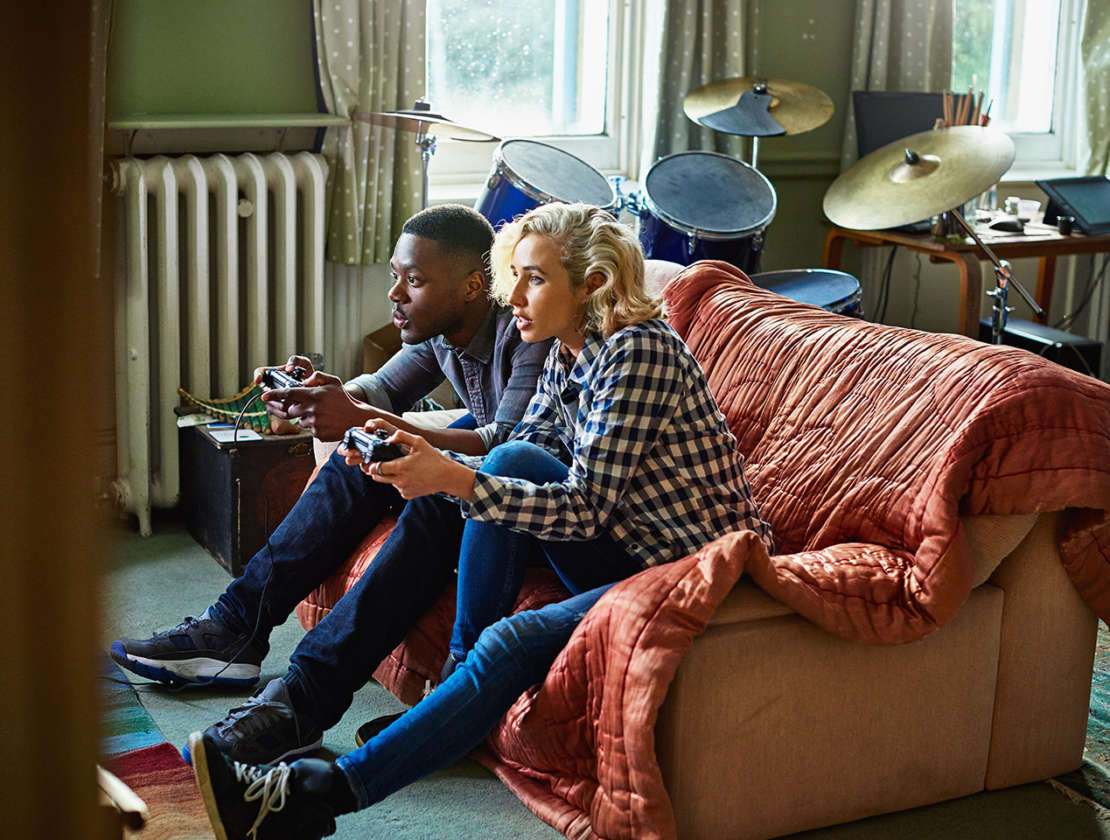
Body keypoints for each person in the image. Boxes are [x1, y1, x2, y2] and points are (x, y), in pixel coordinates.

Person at [184, 202, 774, 838]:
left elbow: (585, 508)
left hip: (693, 569)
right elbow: (520, 454)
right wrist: (423, 464)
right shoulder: (568, 352)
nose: (512, 296)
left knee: (511, 637)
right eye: (514, 276)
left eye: (534, 279)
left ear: (594, 283)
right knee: (507, 460)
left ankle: (311, 795)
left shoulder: (639, 352)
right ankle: (418, 695)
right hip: (621, 544)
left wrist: (453, 478)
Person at [109, 204, 552, 706]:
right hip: (489, 462)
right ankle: (233, 627)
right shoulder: (443, 332)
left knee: (394, 452)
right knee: (355, 452)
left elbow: (507, 445)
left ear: (472, 287)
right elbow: (383, 389)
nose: (395, 294)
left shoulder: (528, 329)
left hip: (527, 490)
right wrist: (323, 395)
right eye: (394, 276)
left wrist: (359, 415)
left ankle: (299, 686)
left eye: (414, 280)